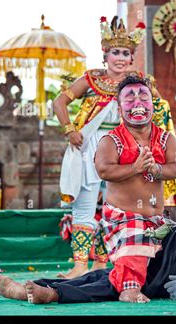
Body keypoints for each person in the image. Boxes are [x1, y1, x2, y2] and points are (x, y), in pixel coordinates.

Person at [0, 213, 176, 304]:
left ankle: (50, 293)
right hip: (159, 243)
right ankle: (40, 286)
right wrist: (168, 228)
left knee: (110, 283)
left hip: (167, 276)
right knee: (103, 276)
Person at [53, 16, 146, 279]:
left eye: (126, 53)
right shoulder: (91, 80)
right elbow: (59, 103)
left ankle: (102, 264)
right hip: (89, 146)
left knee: (115, 207)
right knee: (84, 205)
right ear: (105, 55)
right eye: (115, 52)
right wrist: (70, 130)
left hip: (124, 148)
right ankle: (80, 265)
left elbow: (157, 111)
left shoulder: (138, 83)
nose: (120, 57)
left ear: (131, 58)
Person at [93, 74, 176, 303]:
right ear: (120, 106)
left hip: (157, 220)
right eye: (130, 98)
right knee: (136, 236)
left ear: (153, 104)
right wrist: (135, 167)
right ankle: (129, 289)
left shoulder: (167, 139)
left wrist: (156, 170)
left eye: (144, 96)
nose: (138, 102)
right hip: (122, 218)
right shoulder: (110, 141)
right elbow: (103, 171)